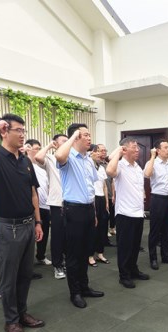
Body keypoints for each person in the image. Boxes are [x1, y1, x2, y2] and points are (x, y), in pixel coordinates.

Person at [0, 114, 45, 332]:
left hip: (28, 224)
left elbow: (33, 193)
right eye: (18, 130)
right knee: (9, 278)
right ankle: (11, 320)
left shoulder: (25, 161)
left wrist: (38, 222)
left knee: (25, 275)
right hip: (7, 228)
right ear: (5, 132)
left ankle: (22, 313)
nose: (23, 134)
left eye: (24, 130)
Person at [55, 123, 104, 309]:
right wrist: (73, 135)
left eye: (89, 135)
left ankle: (84, 287)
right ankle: (74, 292)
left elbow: (91, 187)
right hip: (73, 211)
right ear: (75, 137)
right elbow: (59, 155)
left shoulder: (88, 160)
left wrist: (94, 212)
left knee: (85, 251)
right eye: (85, 135)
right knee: (74, 254)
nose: (89, 138)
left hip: (89, 210)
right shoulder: (68, 157)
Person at [106, 138, 150, 288]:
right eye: (134, 147)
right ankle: (124, 275)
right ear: (124, 149)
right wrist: (119, 152)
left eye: (138, 147)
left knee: (135, 245)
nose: (138, 150)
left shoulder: (137, 167)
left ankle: (133, 269)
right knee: (125, 247)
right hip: (125, 213)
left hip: (138, 213)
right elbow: (110, 171)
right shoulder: (119, 165)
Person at [34, 134, 68, 280]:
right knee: (58, 236)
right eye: (64, 141)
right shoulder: (51, 159)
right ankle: (58, 265)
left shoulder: (72, 159)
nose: (67, 143)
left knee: (70, 235)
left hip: (73, 203)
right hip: (57, 203)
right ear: (56, 143)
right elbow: (38, 157)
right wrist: (49, 146)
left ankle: (67, 261)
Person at [144, 140, 168, 270]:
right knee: (155, 230)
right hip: (157, 199)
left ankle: (166, 256)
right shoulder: (152, 163)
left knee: (167, 229)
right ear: (158, 150)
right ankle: (153, 258)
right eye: (165, 147)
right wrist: (152, 156)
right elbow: (147, 175)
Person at [24, 139, 52, 268]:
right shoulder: (25, 165)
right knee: (30, 235)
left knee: (44, 232)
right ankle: (27, 262)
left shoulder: (43, 167)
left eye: (40, 148)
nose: (39, 151)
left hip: (45, 204)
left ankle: (41, 256)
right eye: (37, 148)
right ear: (28, 149)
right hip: (32, 206)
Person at [89, 144, 110, 266]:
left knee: (102, 227)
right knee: (93, 228)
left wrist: (106, 202)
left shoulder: (101, 168)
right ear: (90, 153)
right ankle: (90, 255)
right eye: (96, 151)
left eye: (99, 151)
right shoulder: (87, 167)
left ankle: (100, 253)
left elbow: (104, 186)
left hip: (101, 199)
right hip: (93, 199)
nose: (99, 154)